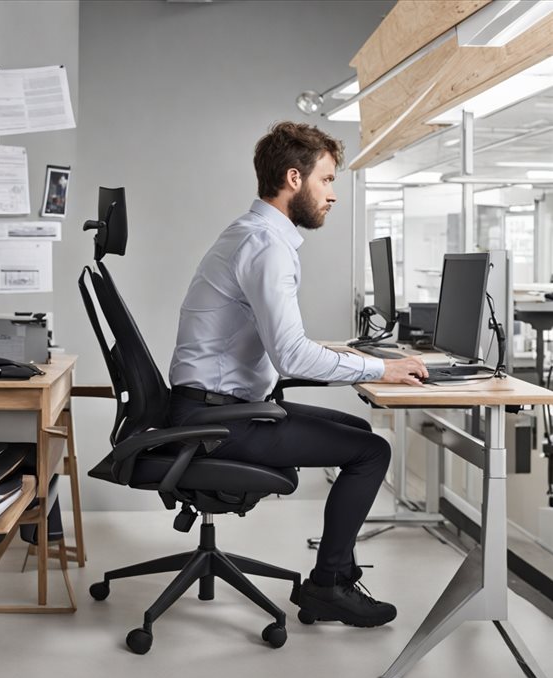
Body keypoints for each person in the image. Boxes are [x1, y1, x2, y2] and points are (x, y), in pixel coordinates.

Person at [168, 121, 428, 629]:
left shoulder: (253, 232)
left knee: (356, 431)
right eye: (327, 181)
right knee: (372, 450)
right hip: (219, 420)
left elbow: (280, 345)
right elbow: (290, 356)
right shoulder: (267, 246)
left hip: (217, 404)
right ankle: (329, 585)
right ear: (294, 178)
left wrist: (354, 358)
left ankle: (337, 575)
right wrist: (381, 367)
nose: (333, 195)